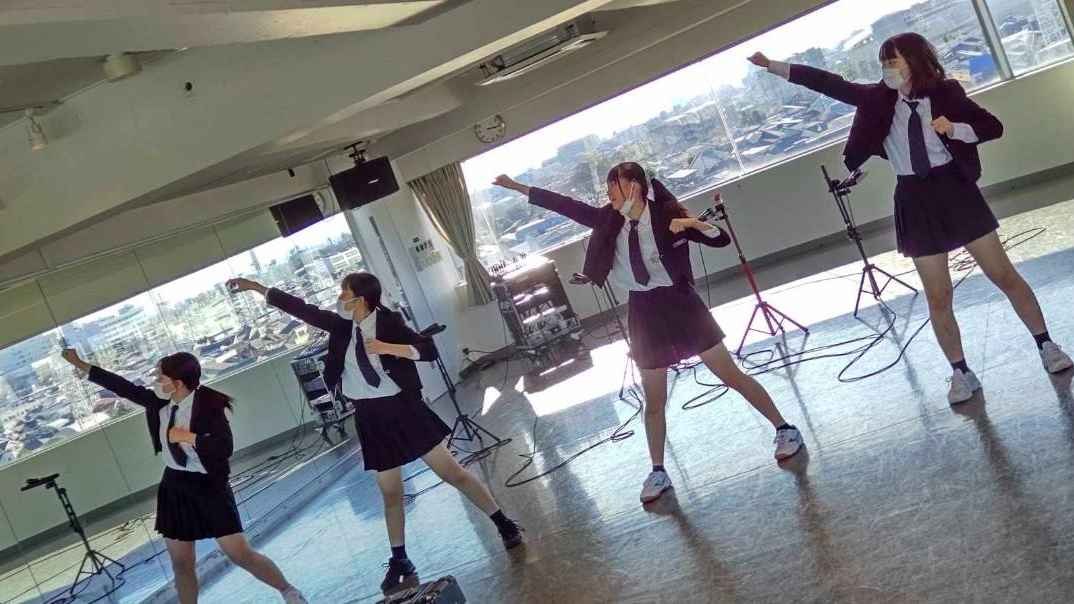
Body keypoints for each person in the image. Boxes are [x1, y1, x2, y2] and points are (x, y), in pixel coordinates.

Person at [748, 32, 1073, 403]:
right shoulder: (876, 99)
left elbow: (992, 127)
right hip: (913, 197)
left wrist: (955, 129)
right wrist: (771, 66)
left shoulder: (947, 92)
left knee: (1003, 274)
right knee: (938, 294)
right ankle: (960, 372)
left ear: (914, 61)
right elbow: (826, 82)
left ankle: (1046, 345)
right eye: (883, 63)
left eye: (893, 61)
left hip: (955, 189)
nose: (887, 69)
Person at [492, 162, 803, 505]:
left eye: (614, 187)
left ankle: (785, 429)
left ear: (635, 187)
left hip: (681, 302)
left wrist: (694, 224)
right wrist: (517, 186)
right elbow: (565, 205)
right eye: (607, 189)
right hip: (643, 310)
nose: (608, 195)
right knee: (654, 400)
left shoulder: (666, 215)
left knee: (730, 375)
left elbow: (720, 239)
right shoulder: (608, 219)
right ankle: (658, 471)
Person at [227, 273, 524, 596]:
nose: (340, 297)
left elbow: (427, 350)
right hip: (370, 416)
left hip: (403, 409)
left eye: (345, 292)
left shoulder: (389, 322)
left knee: (453, 473)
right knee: (390, 492)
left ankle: (502, 522)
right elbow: (300, 309)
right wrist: (256, 287)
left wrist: (388, 348)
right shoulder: (340, 326)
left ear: (362, 298)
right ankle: (400, 559)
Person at [59, 350, 307, 604]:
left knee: (239, 553)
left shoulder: (209, 404)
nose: (156, 381)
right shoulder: (159, 403)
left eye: (161, 377)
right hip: (175, 485)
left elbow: (224, 447)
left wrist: (189, 437)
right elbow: (122, 386)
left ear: (178, 383)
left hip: (209, 486)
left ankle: (288, 591)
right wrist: (81, 364)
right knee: (181, 563)